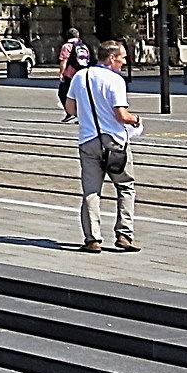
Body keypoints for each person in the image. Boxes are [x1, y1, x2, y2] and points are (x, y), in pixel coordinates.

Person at [72, 39, 141, 252]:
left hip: (88, 140)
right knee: (125, 187)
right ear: (111, 58)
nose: (123, 61)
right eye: (121, 57)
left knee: (91, 191)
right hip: (114, 142)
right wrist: (134, 119)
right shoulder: (115, 80)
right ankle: (124, 235)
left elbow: (70, 107)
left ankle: (92, 239)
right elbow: (121, 114)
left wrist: (89, 117)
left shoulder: (79, 76)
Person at [57, 28, 89, 119]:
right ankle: (82, 116)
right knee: (80, 95)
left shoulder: (66, 46)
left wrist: (61, 73)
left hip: (70, 74)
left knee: (62, 93)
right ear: (77, 36)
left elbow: (64, 61)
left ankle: (70, 113)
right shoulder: (83, 46)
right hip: (83, 73)